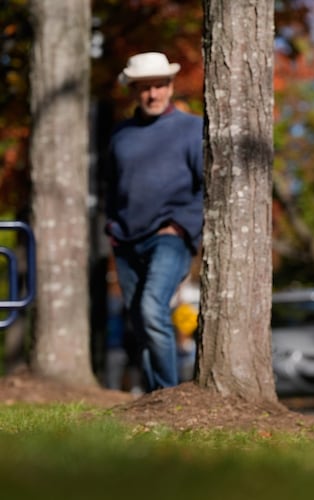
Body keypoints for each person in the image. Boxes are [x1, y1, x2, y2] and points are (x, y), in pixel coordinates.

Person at [105, 52, 203, 392]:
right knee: (141, 323)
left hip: (170, 237)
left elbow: (207, 186)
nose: (153, 94)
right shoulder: (121, 135)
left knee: (151, 309)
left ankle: (167, 395)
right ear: (134, 90)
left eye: (159, 86)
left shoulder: (192, 129)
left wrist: (181, 227)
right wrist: (113, 231)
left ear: (171, 86)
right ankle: (152, 397)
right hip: (127, 240)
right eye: (145, 88)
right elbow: (112, 188)